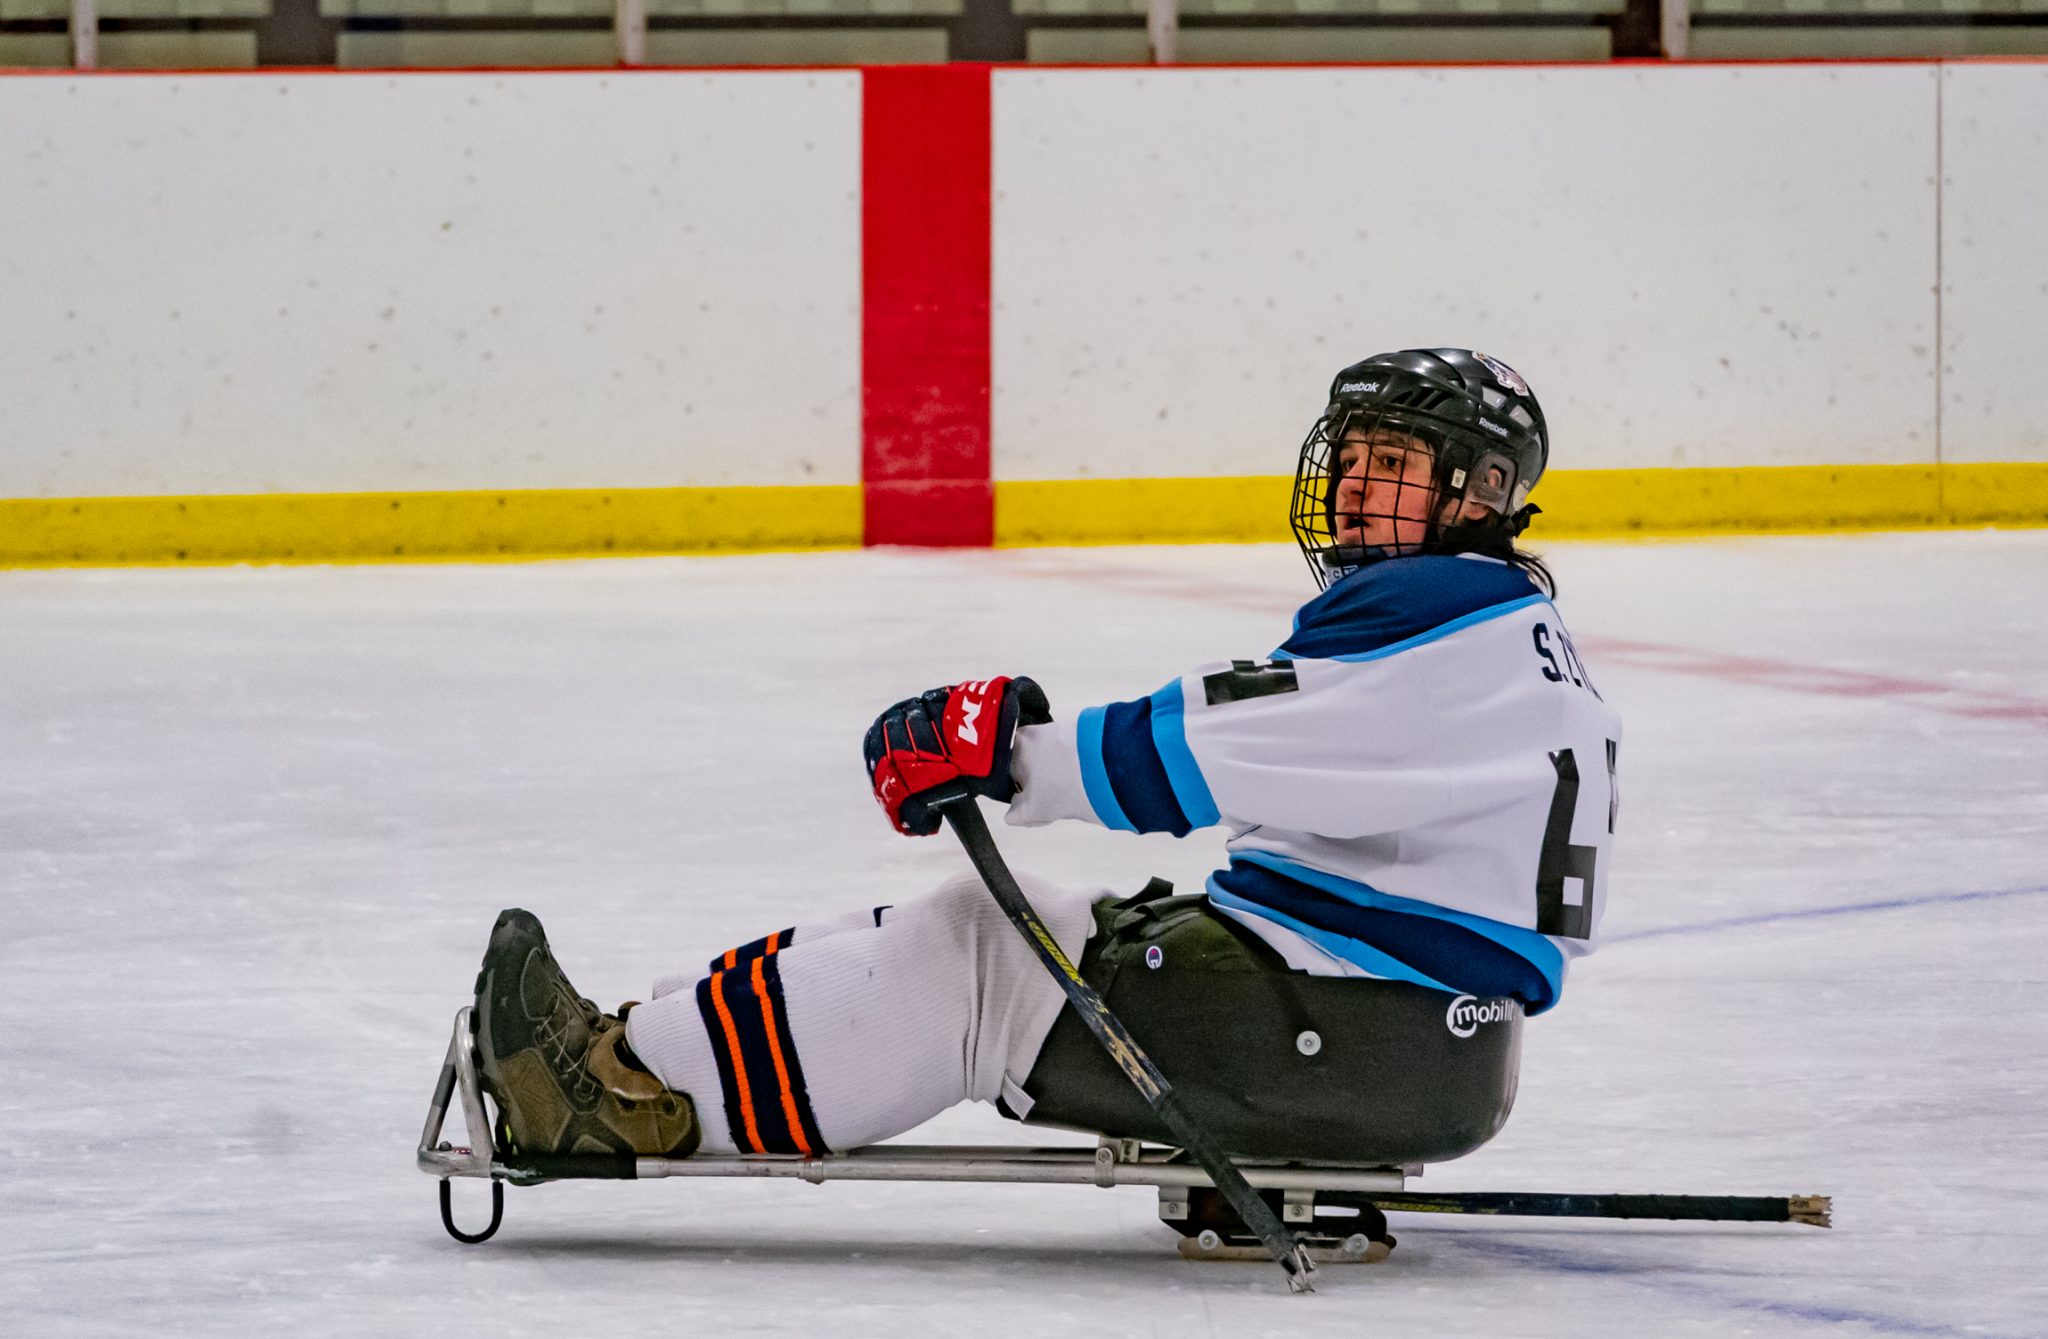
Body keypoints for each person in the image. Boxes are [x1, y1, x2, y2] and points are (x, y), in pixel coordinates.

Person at [470, 348, 1623, 1171]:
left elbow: (1196, 752)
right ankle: (660, 1035)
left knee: (980, 958)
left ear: (1477, 492)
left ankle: (620, 1096)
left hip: (1346, 1035)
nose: (1357, 491)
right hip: (1404, 1033)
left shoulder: (1420, 622)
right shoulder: (1504, 632)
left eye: (1397, 466)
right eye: (1355, 462)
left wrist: (1007, 754)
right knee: (1013, 916)